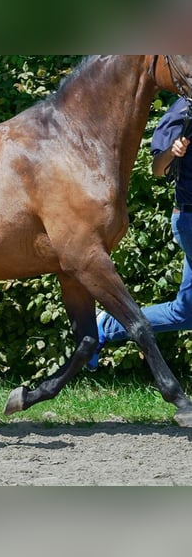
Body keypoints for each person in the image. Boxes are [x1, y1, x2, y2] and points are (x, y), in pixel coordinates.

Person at [89, 96, 192, 370]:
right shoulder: (183, 109)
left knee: (186, 312)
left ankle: (107, 326)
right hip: (190, 218)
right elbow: (158, 169)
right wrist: (174, 151)